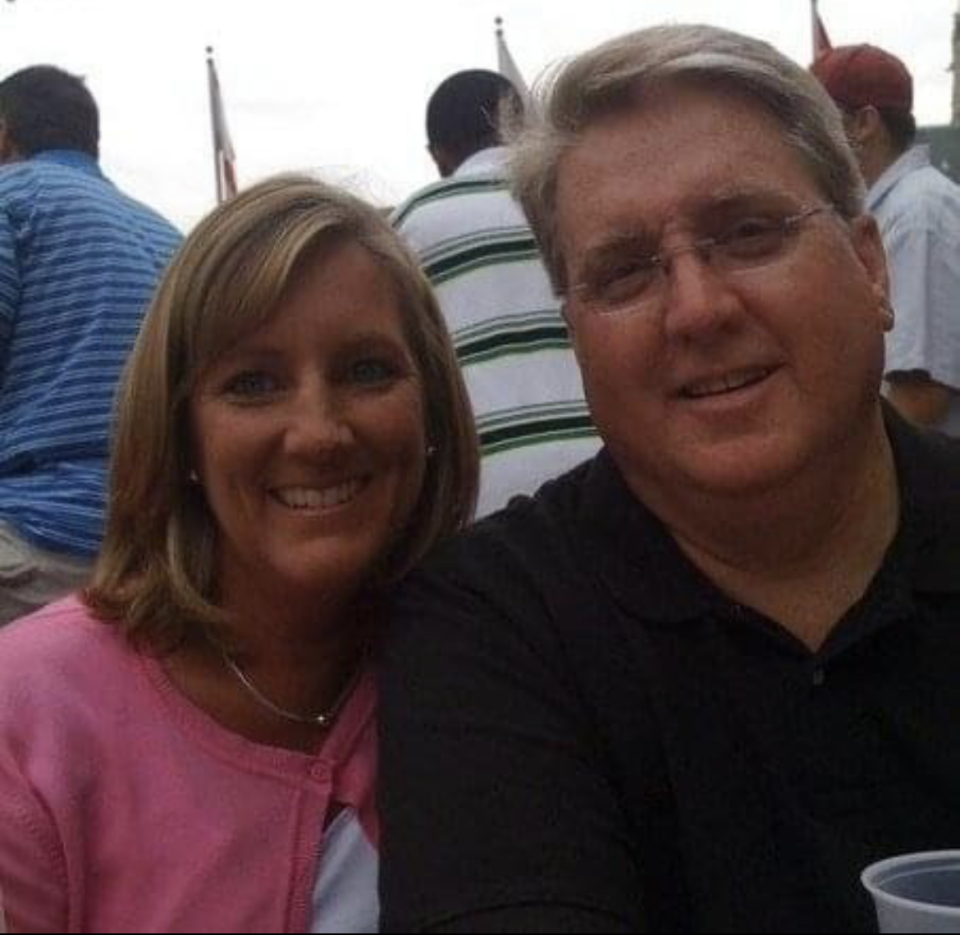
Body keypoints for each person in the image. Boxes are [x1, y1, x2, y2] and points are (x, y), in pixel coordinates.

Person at [379, 25, 960, 934]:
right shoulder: (489, 628)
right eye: (624, 273)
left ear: (871, 266)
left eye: (748, 233)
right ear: (574, 336)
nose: (696, 308)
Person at [0, 174, 478, 933]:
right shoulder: (26, 718)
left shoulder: (496, 674)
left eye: (367, 370)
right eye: (253, 383)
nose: (318, 432)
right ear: (181, 431)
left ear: (432, 408)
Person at [0, 65, 182, 624]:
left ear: (4, 134)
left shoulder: (12, 198)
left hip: (33, 543)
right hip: (160, 558)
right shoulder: (169, 236)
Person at [393, 70, 600, 517]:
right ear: (525, 131)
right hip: (612, 461)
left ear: (438, 155)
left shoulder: (413, 223)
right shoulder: (578, 198)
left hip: (481, 483)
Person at [812, 45, 960, 436]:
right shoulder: (895, 208)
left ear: (864, 123)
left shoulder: (917, 214)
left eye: (816, 121)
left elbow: (922, 396)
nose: (806, 139)